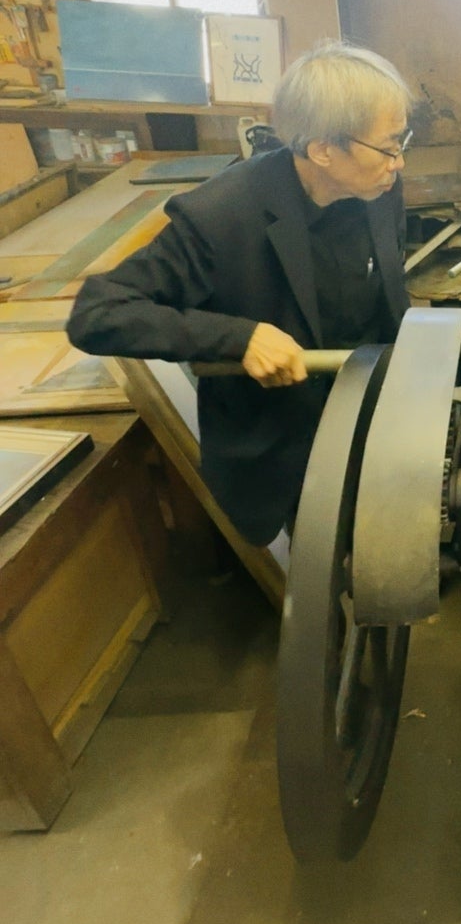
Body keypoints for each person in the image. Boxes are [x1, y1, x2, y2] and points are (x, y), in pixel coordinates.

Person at [67, 40, 413, 546]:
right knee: (323, 556)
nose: (398, 162)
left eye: (402, 141)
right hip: (285, 440)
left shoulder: (376, 187)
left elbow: (388, 290)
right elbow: (97, 312)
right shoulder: (221, 216)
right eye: (388, 147)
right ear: (323, 149)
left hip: (370, 410)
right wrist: (238, 338)